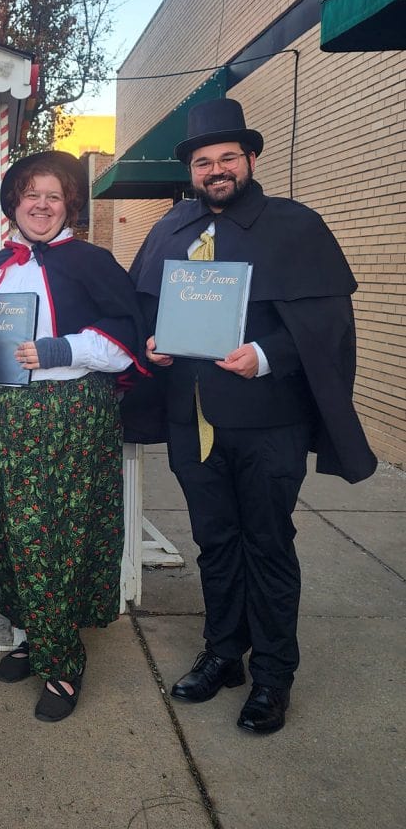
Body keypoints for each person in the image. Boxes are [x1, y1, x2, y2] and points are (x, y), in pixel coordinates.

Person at [129, 98, 377, 735]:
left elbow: (328, 327)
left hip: (268, 422)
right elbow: (144, 309)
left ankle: (272, 673)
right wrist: (150, 345)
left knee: (267, 544)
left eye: (227, 159)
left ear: (251, 160)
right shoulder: (171, 229)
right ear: (191, 170)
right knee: (214, 542)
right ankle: (223, 653)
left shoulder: (295, 226)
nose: (216, 170)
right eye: (203, 161)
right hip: (194, 421)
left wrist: (266, 355)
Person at [0, 151, 148, 722]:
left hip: (65, 419)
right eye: (31, 194)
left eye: (53, 196)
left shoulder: (94, 262)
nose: (41, 204)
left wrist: (61, 349)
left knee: (52, 537)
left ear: (69, 206)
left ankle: (63, 663)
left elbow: (125, 342)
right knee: (8, 535)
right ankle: (37, 635)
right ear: (15, 203)